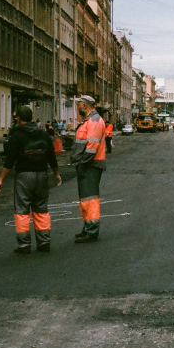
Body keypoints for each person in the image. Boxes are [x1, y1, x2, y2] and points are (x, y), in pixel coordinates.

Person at [0, 106, 62, 254]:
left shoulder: (17, 136)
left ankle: (24, 244)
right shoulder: (43, 135)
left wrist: (0, 180)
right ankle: (44, 241)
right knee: (41, 208)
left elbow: (9, 162)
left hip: (24, 176)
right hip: (42, 175)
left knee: (22, 210)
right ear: (31, 118)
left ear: (18, 119)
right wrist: (56, 174)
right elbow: (52, 157)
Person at [71, 95, 106, 243]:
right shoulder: (89, 121)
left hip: (90, 165)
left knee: (90, 199)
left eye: (78, 105)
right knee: (85, 199)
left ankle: (91, 231)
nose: (77, 108)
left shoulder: (94, 121)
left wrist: (82, 163)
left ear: (84, 106)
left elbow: (92, 147)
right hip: (87, 164)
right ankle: (88, 228)